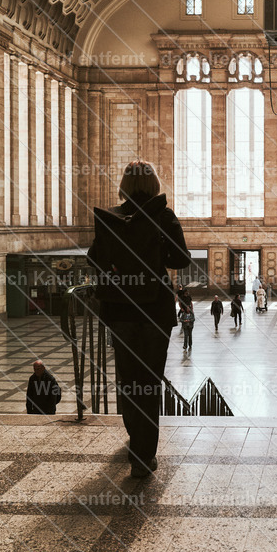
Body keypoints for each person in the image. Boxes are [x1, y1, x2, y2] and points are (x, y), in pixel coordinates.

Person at [87, 160, 190, 478]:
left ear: (125, 186)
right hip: (155, 310)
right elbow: (180, 258)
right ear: (154, 184)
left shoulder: (111, 218)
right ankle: (143, 456)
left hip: (120, 310)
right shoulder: (163, 214)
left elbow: (95, 259)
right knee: (149, 382)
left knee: (129, 380)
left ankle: (136, 442)